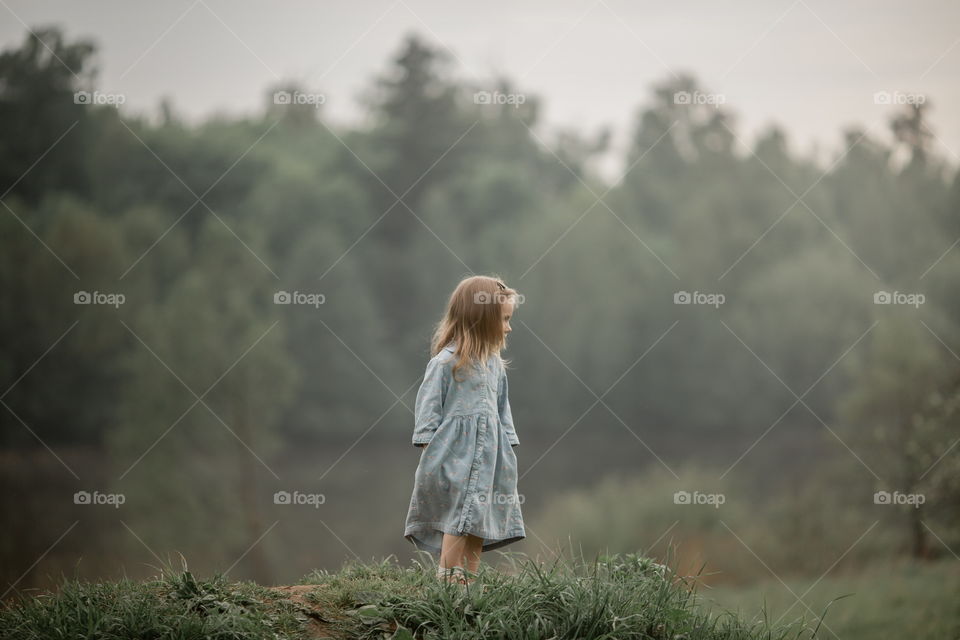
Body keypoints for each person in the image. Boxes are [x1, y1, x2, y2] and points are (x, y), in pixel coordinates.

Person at [403, 275, 525, 585]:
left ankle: (467, 585)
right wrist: (433, 455)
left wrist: (507, 449)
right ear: (481, 318)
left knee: (477, 520)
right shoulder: (445, 364)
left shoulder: (495, 366)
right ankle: (447, 584)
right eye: (504, 319)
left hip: (490, 459)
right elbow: (427, 414)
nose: (509, 327)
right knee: (456, 518)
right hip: (452, 459)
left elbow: (502, 411)